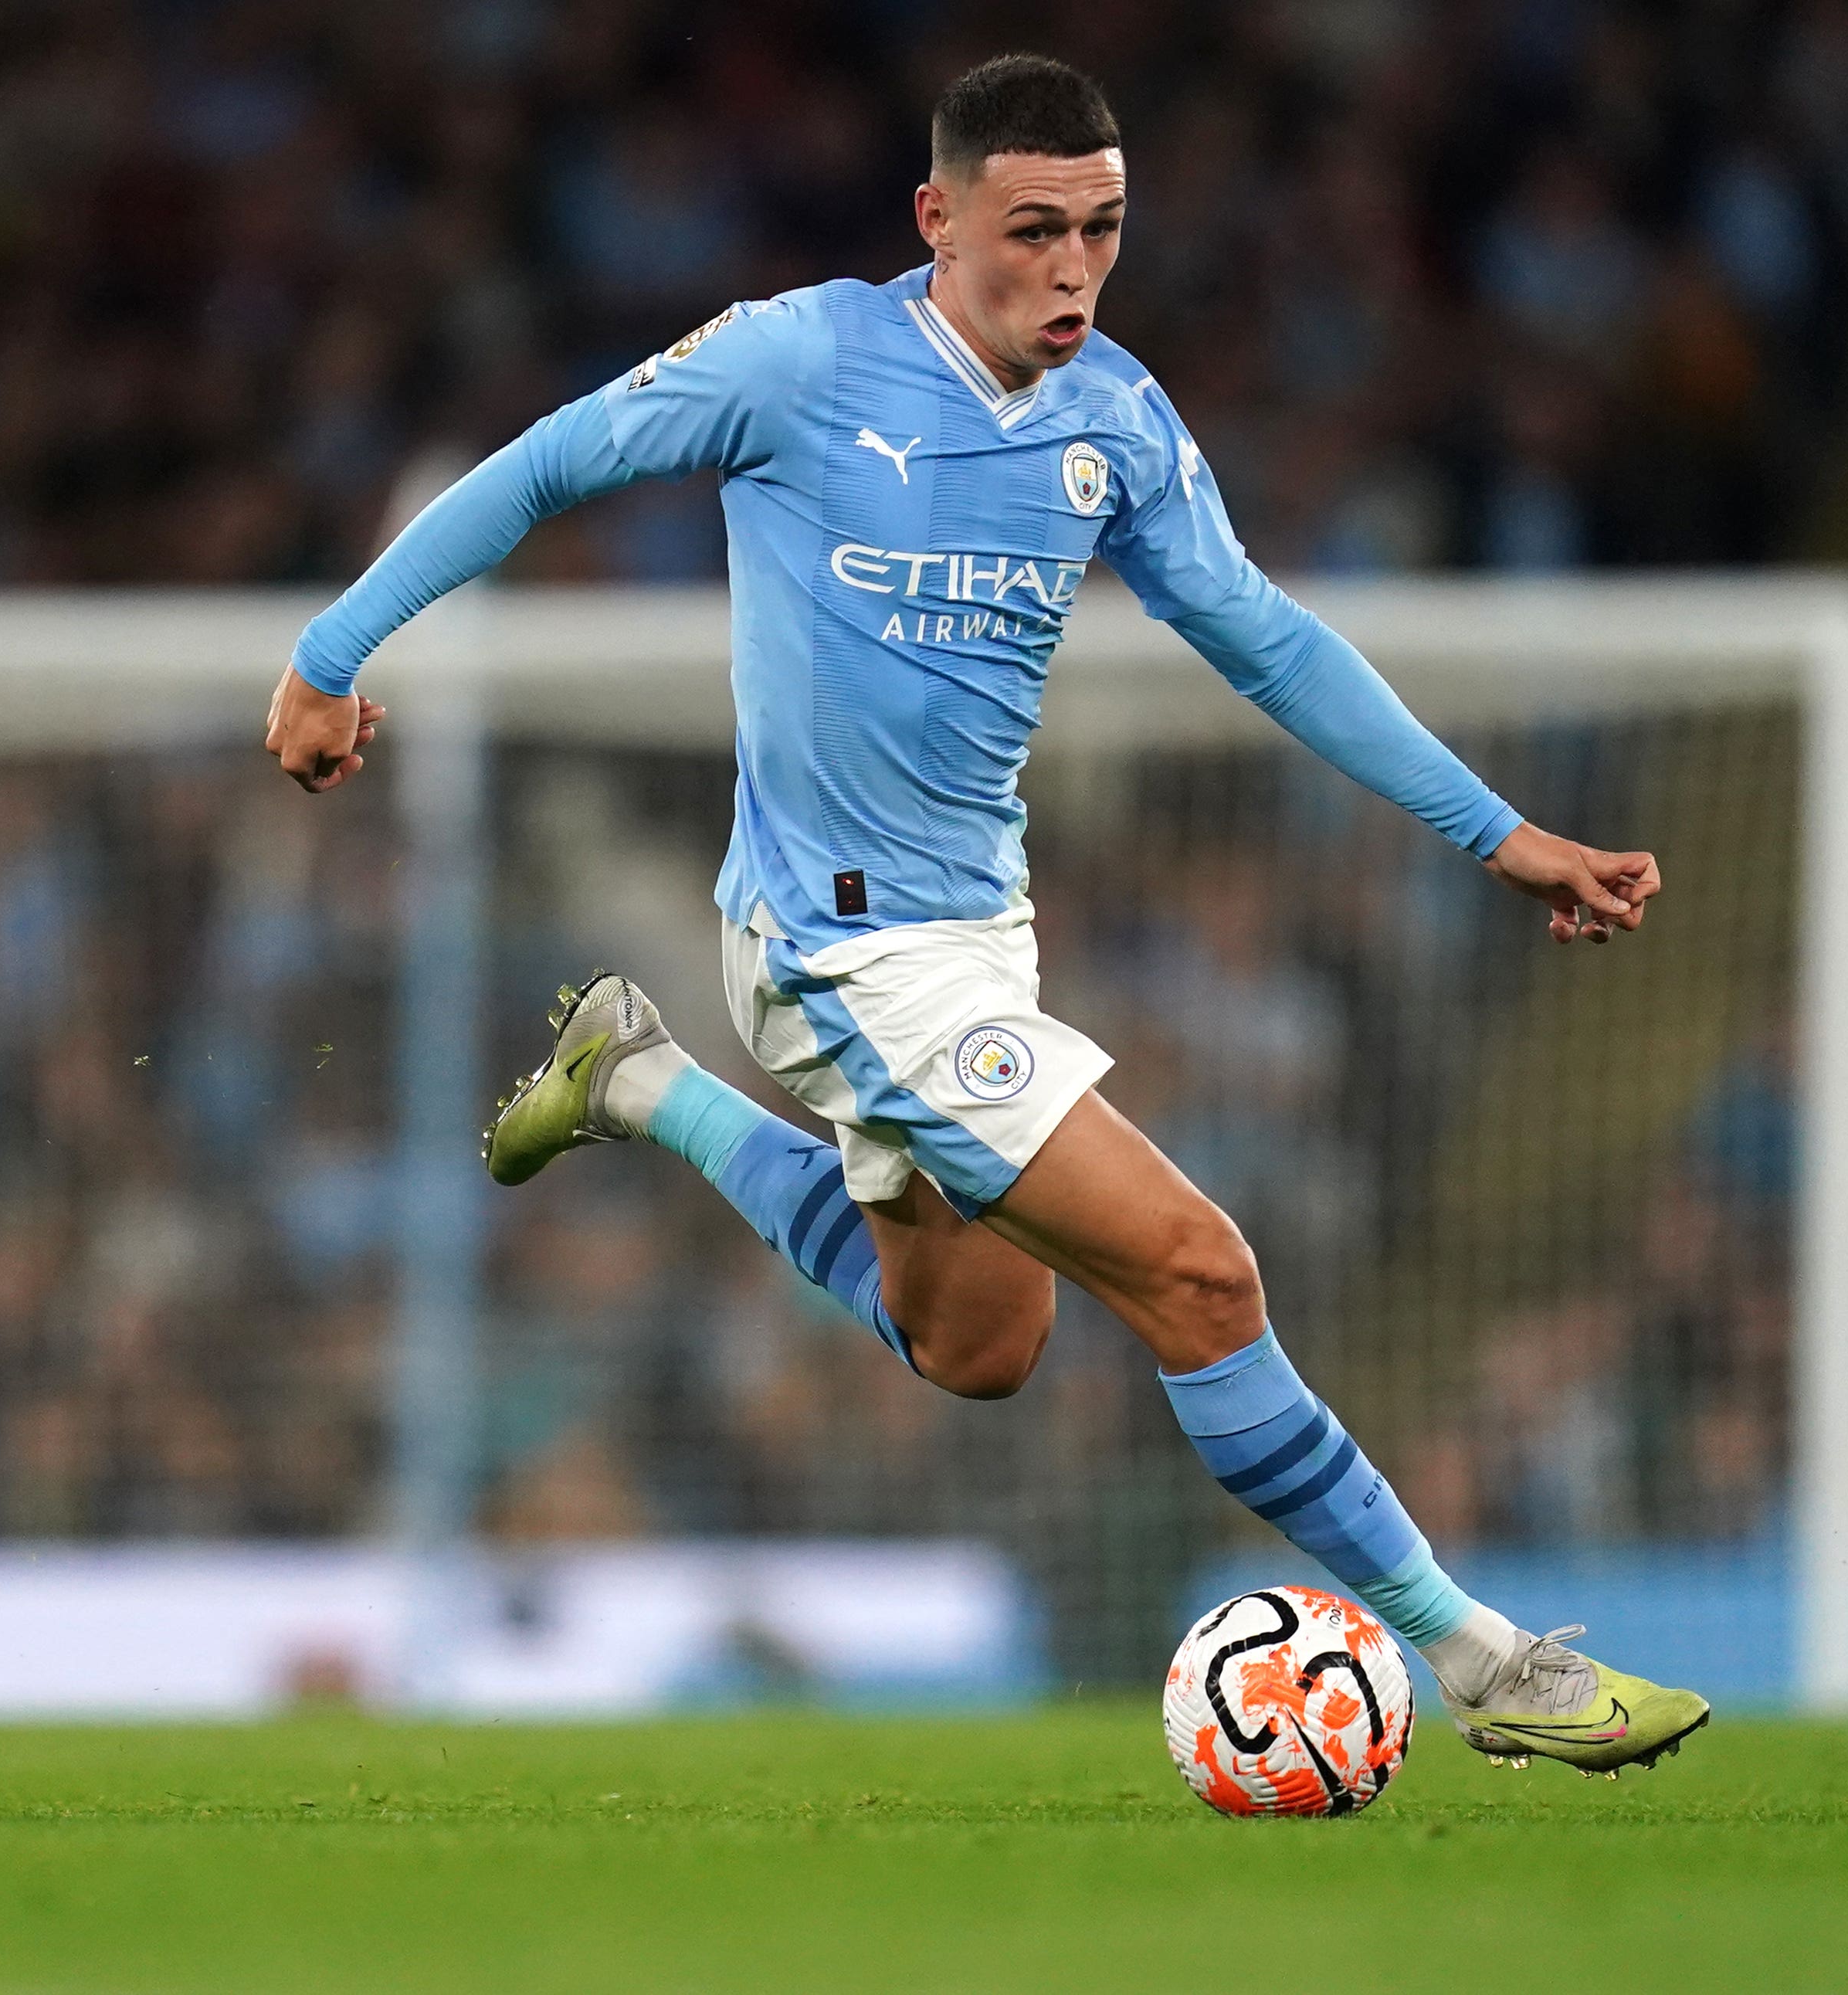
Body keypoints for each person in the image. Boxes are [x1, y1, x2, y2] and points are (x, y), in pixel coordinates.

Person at [264, 56, 1707, 1774]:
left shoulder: (1114, 423)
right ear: (936, 221)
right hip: (832, 941)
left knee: (975, 1346)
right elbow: (543, 466)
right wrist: (329, 654)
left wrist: (1495, 831)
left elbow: (1266, 639)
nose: (1075, 270)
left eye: (1102, 229)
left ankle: (638, 1079)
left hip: (973, 935)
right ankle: (1480, 1659)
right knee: (1196, 1268)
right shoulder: (797, 359)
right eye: (1034, 230)